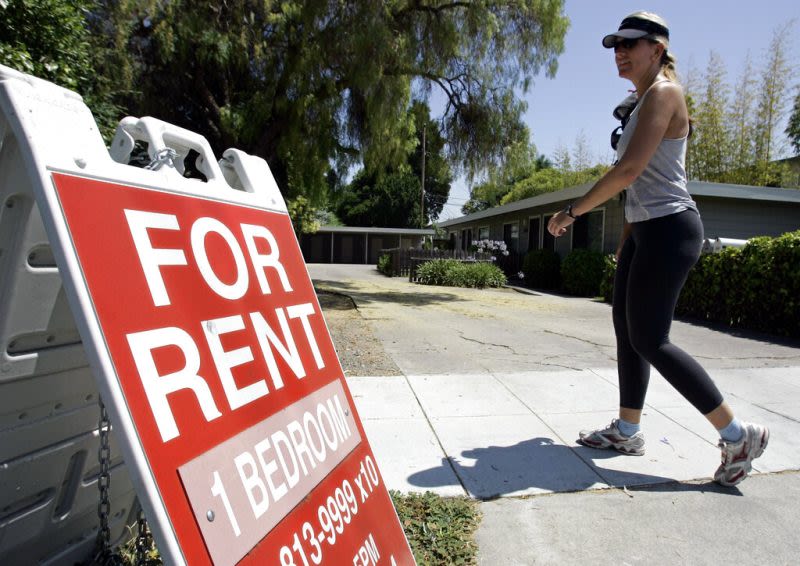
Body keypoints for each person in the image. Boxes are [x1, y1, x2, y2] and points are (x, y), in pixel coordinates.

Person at [547, 11, 769, 487]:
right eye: (614, 46)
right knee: (626, 328)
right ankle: (628, 429)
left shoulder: (665, 94)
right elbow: (637, 186)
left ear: (658, 49)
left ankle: (737, 434)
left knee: (651, 337)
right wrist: (628, 241)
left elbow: (628, 171)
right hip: (646, 230)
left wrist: (572, 211)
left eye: (630, 44)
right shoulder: (640, 100)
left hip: (671, 229)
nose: (620, 53)